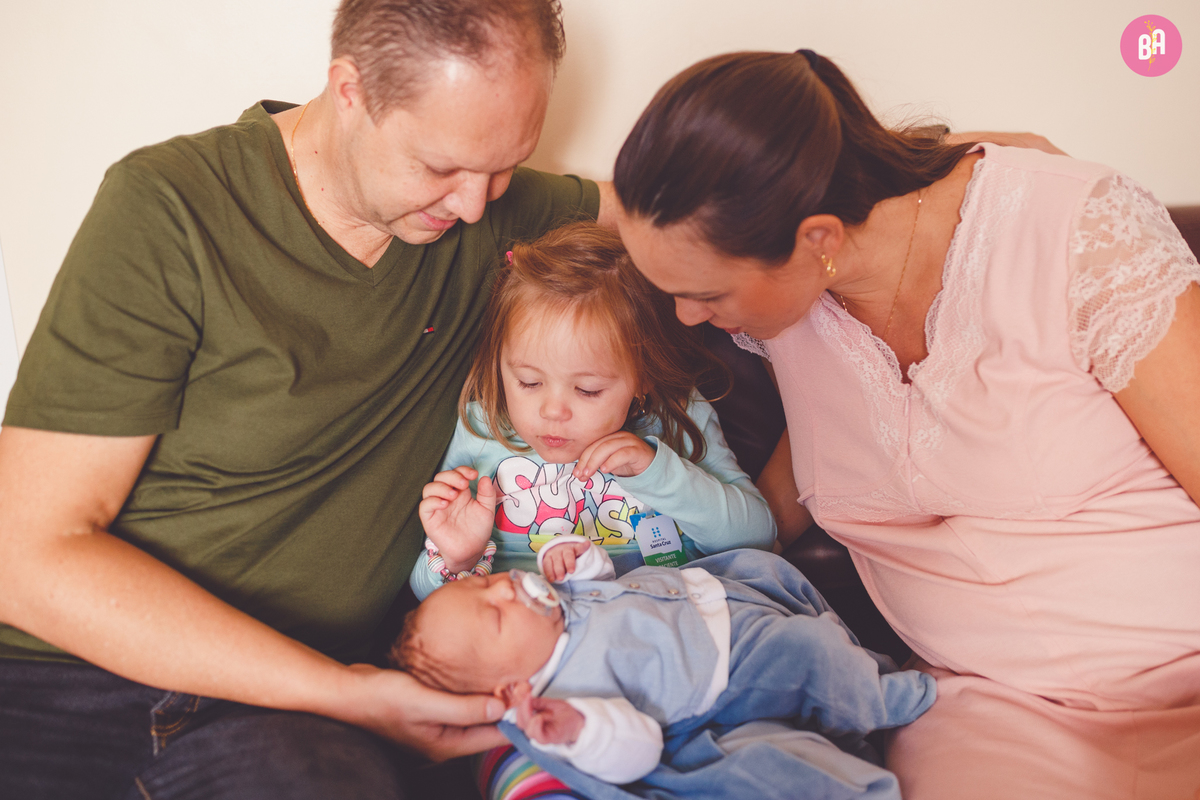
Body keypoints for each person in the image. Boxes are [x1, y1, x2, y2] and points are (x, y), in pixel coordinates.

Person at [0, 2, 621, 798]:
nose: (475, 204)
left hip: (279, 738)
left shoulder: (491, 209)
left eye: (504, 166)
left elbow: (676, 224)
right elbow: (27, 557)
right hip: (60, 680)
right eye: (440, 167)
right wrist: (351, 695)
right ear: (350, 90)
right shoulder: (169, 209)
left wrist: (832, 272)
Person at [612, 49, 1200, 800]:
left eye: (704, 294)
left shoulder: (1077, 233)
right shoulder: (791, 312)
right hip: (990, 716)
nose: (686, 317)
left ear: (818, 239)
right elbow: (763, 518)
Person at [395, 535, 935, 799]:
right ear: (512, 684)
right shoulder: (563, 698)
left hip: (720, 608)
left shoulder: (558, 601)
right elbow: (636, 748)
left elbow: (608, 580)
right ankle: (877, 704)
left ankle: (855, 691)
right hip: (724, 674)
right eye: (495, 616)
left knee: (789, 602)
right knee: (808, 654)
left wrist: (579, 561)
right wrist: (580, 730)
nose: (506, 592)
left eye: (488, 584)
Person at [409, 221, 775, 602]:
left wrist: (655, 472)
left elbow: (756, 538)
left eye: (588, 390)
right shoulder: (481, 429)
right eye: (529, 383)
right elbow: (427, 595)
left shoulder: (677, 414)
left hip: (656, 618)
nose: (552, 411)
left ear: (642, 378)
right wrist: (458, 558)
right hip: (530, 633)